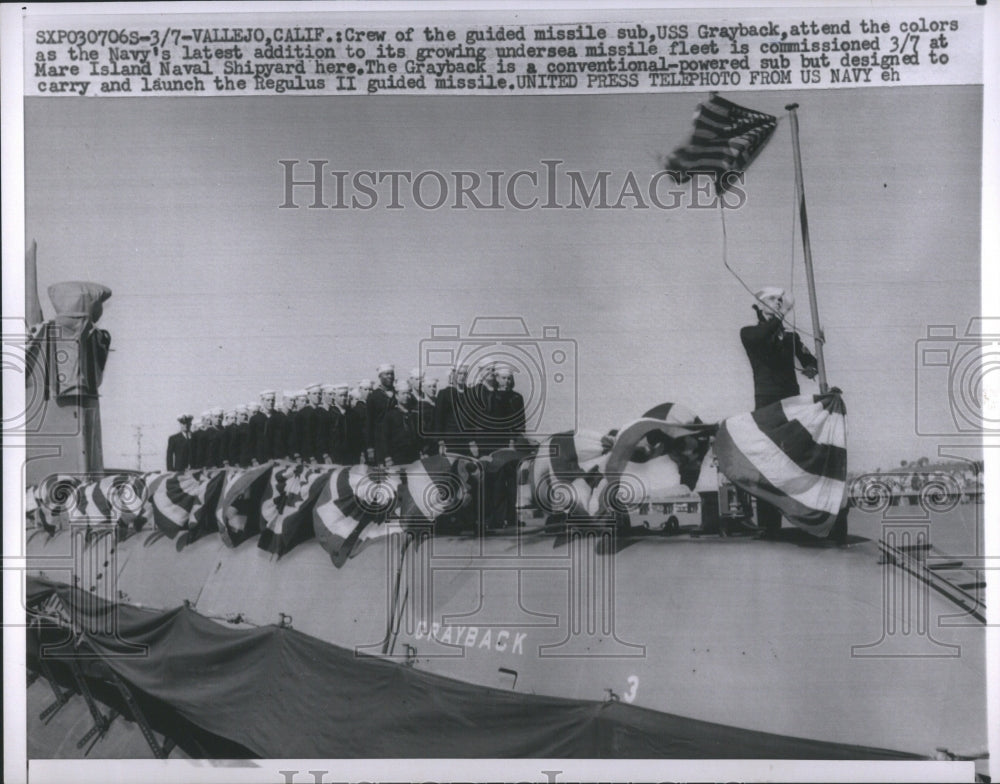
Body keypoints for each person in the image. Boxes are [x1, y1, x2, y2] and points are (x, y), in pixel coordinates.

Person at [740, 287, 818, 538]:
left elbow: (810, 362)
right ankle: (769, 524)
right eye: (772, 299)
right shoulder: (750, 333)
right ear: (760, 306)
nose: (778, 302)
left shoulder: (792, 339)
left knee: (796, 457)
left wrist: (811, 367)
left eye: (780, 300)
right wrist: (779, 316)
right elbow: (763, 335)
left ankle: (806, 518)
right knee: (768, 462)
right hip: (766, 402)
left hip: (791, 402)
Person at [380, 379, 423, 467]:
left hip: (414, 456)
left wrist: (423, 451)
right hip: (397, 457)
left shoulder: (414, 415)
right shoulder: (390, 416)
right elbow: (384, 437)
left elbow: (419, 436)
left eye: (408, 393)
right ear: (397, 396)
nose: (406, 396)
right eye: (403, 393)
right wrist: (387, 457)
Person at [366, 364, 397, 464]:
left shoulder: (398, 394)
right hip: (380, 442)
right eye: (387, 374)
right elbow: (369, 423)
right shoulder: (374, 397)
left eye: (392, 374)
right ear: (380, 376)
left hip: (397, 440)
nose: (390, 377)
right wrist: (370, 447)